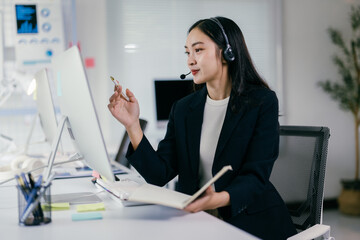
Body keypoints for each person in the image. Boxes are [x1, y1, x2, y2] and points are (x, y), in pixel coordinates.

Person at [108, 16, 297, 240]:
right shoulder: (184, 108)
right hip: (198, 220)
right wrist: (132, 126)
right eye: (187, 52)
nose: (190, 60)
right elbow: (160, 174)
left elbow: (256, 177)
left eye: (198, 50)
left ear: (228, 52)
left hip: (250, 222)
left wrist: (218, 199)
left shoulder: (261, 102)